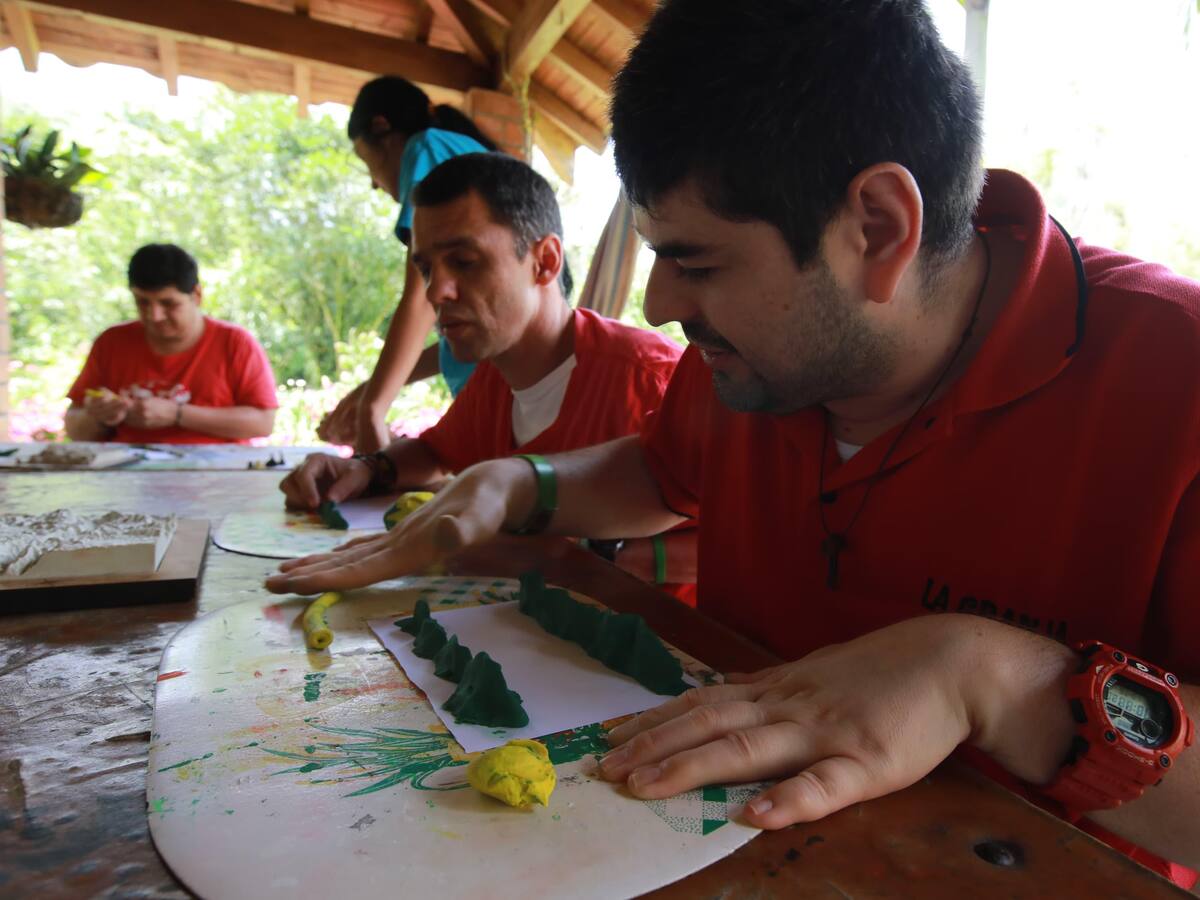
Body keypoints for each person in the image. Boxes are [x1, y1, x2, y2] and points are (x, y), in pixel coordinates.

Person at [263, 1, 1200, 885]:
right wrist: (517, 485)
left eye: (695, 261)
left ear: (877, 229)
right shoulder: (753, 359)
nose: (658, 306)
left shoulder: (1173, 376)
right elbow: (664, 473)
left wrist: (991, 680)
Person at [279, 153, 695, 593]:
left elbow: (747, 540)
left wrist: (584, 554)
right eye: (426, 269)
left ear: (545, 261)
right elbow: (434, 452)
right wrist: (367, 468)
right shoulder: (496, 376)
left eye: (464, 261)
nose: (436, 291)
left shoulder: (649, 379)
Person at [318, 76, 497, 453]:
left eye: (366, 162)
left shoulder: (426, 146)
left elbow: (421, 302)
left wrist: (373, 407)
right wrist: (372, 390)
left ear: (382, 128)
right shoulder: (462, 150)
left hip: (501, 397)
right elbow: (465, 338)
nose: (373, 183)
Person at [65, 243, 277, 444]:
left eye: (168, 303)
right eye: (143, 302)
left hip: (217, 473)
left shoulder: (235, 343)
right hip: (127, 473)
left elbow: (263, 423)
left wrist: (178, 414)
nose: (154, 315)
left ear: (196, 295)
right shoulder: (111, 342)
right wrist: (99, 417)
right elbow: (75, 430)